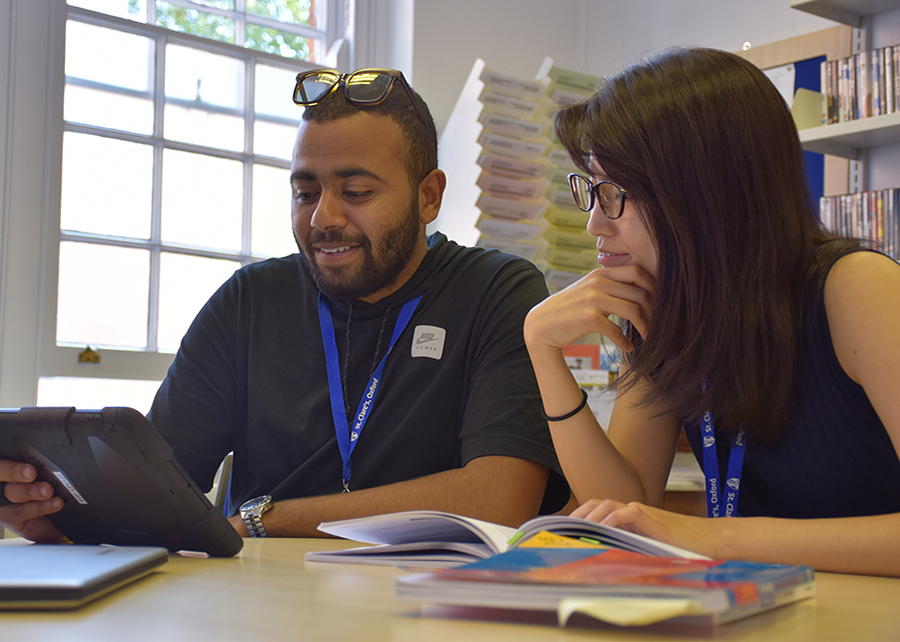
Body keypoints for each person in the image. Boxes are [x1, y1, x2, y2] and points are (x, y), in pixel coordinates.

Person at [1, 68, 567, 541]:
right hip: (262, 605)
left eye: (356, 192)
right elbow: (149, 494)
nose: (323, 217)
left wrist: (262, 520)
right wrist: (49, 515)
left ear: (428, 196)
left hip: (428, 608)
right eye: (305, 192)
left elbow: (500, 498)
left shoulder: (498, 290)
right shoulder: (248, 303)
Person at [523, 47, 900, 577]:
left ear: (702, 192)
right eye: (593, 190)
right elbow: (624, 503)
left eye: (617, 194)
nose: (595, 225)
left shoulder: (857, 288)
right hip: (764, 608)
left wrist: (717, 536)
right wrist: (541, 349)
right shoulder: (670, 305)